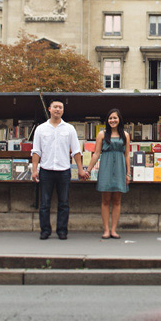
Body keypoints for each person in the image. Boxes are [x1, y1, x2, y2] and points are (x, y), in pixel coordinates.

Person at [31, 98, 87, 240]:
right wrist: (34, 169)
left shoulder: (69, 129)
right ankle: (45, 230)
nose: (57, 110)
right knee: (44, 203)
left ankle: (62, 230)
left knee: (64, 202)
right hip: (46, 169)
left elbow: (76, 151)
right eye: (55, 107)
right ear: (49, 109)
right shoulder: (41, 129)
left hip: (63, 170)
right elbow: (36, 151)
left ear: (63, 110)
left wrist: (80, 169)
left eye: (60, 107)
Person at [85, 108, 131, 239]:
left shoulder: (125, 135)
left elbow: (127, 155)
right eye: (110, 118)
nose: (112, 120)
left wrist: (128, 173)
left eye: (115, 118)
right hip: (106, 167)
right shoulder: (102, 134)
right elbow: (96, 153)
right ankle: (105, 229)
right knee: (105, 200)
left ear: (119, 119)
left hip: (120, 169)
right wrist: (88, 170)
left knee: (117, 200)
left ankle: (114, 230)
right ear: (107, 120)